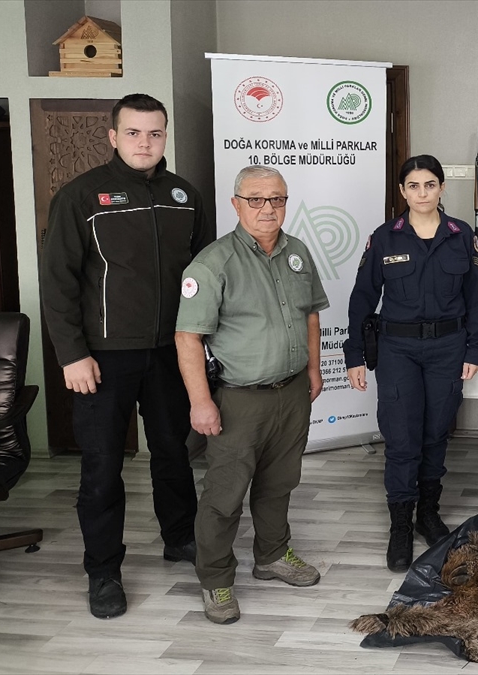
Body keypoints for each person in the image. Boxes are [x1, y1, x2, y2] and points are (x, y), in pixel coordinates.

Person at [39, 93, 213, 619]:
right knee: (102, 467)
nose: (145, 142)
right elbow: (58, 283)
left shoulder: (184, 194)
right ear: (113, 136)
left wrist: (202, 344)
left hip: (171, 353)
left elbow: (204, 276)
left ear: (165, 135)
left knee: (173, 455)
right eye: (134, 133)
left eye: (155, 133)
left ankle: (181, 538)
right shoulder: (81, 196)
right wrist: (72, 355)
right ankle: (104, 570)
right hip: (103, 360)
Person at [174, 165, 328, 624]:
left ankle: (272, 556)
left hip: (292, 391)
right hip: (238, 399)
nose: (268, 208)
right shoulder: (211, 264)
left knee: (279, 483)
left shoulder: (297, 251)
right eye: (257, 199)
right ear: (237, 203)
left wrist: (314, 369)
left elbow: (311, 316)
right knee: (224, 496)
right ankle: (217, 581)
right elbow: (188, 338)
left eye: (277, 199)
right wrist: (201, 402)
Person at [343, 154, 478, 573]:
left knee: (435, 434)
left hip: (447, 348)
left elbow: (476, 297)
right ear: (402, 191)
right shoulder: (385, 237)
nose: (422, 192)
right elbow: (362, 298)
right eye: (413, 186)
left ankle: (428, 513)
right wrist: (354, 354)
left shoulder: (462, 236)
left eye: (430, 184)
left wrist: (474, 350)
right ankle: (401, 527)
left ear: (442, 188)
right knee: (402, 438)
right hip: (398, 350)